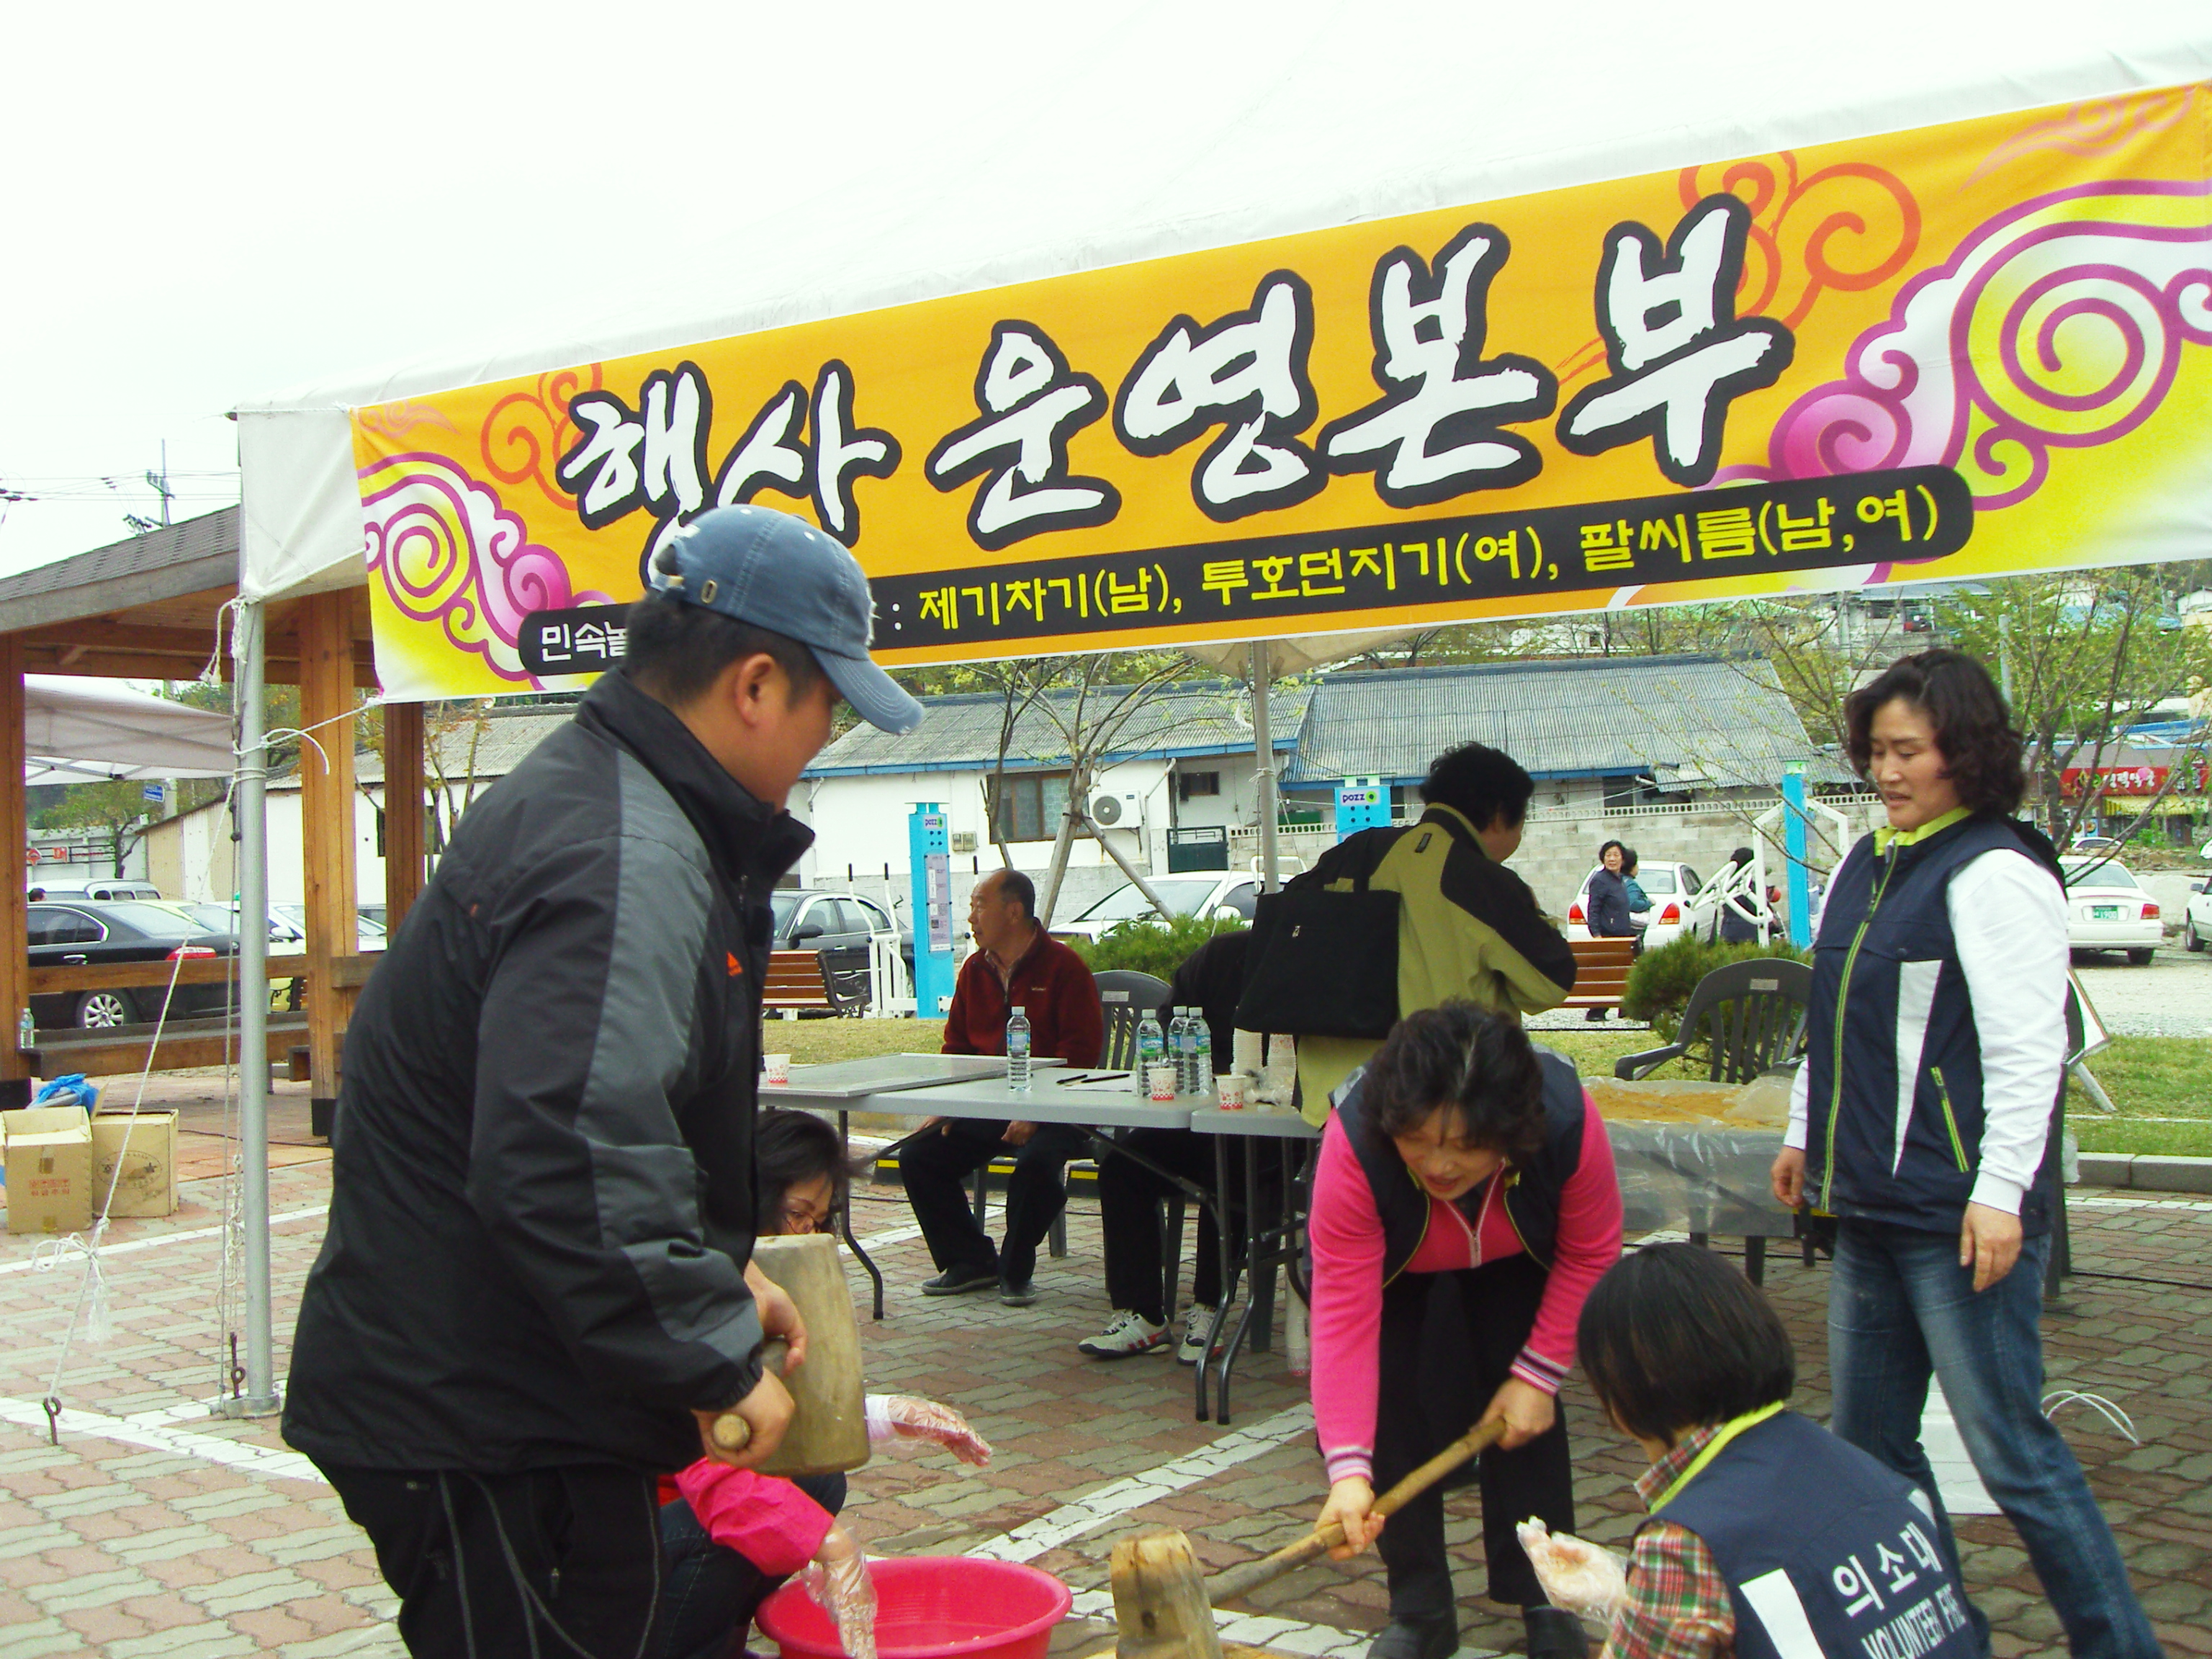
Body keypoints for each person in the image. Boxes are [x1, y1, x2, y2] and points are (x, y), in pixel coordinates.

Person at [282, 504, 924, 1659]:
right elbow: (562, 1150)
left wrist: (718, 1269)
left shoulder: (615, 804)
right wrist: (706, 1351)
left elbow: (612, 1114)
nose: (826, 737)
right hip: (485, 1414)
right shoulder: (624, 849)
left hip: (507, 1388)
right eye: (827, 704)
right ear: (756, 685)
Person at [1771, 648, 2163, 1659]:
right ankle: (1948, 1634)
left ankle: (2119, 1644)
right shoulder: (1867, 861)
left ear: (1966, 753)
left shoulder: (1995, 871)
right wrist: (1804, 1131)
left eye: (1909, 751)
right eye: (1876, 752)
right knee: (1870, 1451)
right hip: (1868, 1205)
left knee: (2012, 1453)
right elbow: (1836, 1018)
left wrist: (1999, 1194)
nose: (1887, 771)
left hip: (1956, 1219)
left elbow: (2030, 1053)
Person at [1310, 1002, 1623, 1659]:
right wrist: (1347, 1469)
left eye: (1467, 1145)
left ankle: (1548, 1596)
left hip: (1518, 1258)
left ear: (1512, 1133)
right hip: (1396, 1268)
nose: (1440, 1165)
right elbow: (1343, 1317)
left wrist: (1539, 1374)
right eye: (1420, 1140)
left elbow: (1592, 1251)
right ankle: (1420, 1608)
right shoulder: (1358, 1143)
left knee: (1525, 1411)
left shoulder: (1564, 1119)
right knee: (1390, 1404)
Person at [660, 1108, 991, 1659]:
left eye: (816, 1221)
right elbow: (711, 1470)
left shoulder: (750, 1281)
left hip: (679, 1500)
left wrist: (890, 1414)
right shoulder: (691, 1280)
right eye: (795, 1214)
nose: (806, 1234)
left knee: (819, 1484)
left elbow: (779, 1404)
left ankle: (719, 1642)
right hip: (619, 1530)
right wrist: (827, 1543)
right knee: (787, 1509)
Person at [1554, 1243, 1976, 1658]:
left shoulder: (1684, 1541)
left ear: (1623, 1391)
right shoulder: (1860, 1467)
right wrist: (1634, 1601)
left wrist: (1626, 1599)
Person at [1290, 741, 1577, 1120]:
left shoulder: (1352, 852)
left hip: (1334, 1106)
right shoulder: (1484, 882)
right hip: (1442, 1115)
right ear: (1498, 815)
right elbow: (1549, 985)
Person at [902, 868, 1103, 1305]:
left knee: (1037, 1164)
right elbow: (957, 1048)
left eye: (979, 906)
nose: (971, 918)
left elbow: (1081, 1054)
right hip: (990, 1105)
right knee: (919, 1154)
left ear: (1013, 912)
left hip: (1062, 1107)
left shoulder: (1064, 967)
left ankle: (1015, 1268)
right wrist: (948, 1104)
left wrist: (1037, 1113)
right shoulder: (974, 970)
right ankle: (971, 1261)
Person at [1078, 928, 1251, 1362]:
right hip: (1198, 1110)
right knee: (1122, 1166)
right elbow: (1169, 1024)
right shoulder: (1220, 956)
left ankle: (1210, 1306)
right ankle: (1142, 1314)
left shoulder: (1308, 963)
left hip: (1268, 1126)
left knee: (1228, 1167)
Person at [1584, 840, 1634, 1020]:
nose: (1612, 859)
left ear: (1623, 859)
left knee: (1623, 972)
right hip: (1607, 936)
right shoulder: (1600, 880)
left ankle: (1625, 1008)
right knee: (1605, 974)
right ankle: (1597, 1011)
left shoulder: (1619, 879)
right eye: (1608, 855)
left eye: (1616, 855)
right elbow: (1593, 909)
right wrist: (1597, 935)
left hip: (1622, 935)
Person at [1717, 848, 1761, 944]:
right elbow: (1755, 908)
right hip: (1748, 929)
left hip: (1728, 927)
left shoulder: (1726, 882)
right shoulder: (1746, 884)